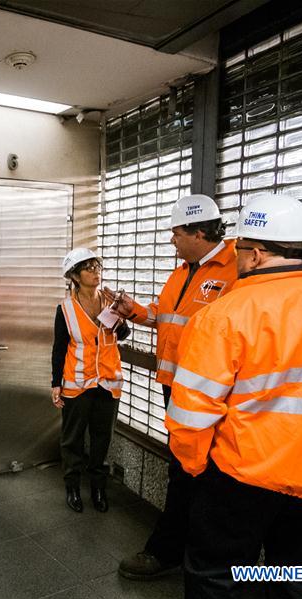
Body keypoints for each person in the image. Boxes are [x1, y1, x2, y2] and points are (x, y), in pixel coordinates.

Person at [167, 194, 302, 599]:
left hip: (243, 477)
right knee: (297, 582)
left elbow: (191, 413)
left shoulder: (223, 315)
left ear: (253, 255)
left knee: (219, 576)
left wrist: (196, 470)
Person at [104, 194, 238, 579]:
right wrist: (136, 311)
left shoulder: (234, 272)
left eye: (176, 232)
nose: (171, 240)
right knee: (183, 467)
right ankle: (184, 551)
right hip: (176, 386)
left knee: (194, 472)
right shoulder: (183, 270)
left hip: (210, 393)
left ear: (199, 232)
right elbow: (169, 317)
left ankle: (174, 552)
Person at [52, 248, 129, 513]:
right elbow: (59, 348)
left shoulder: (110, 301)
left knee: (101, 438)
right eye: (88, 268)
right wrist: (55, 384)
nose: (95, 272)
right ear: (74, 275)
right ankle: (72, 487)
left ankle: (98, 488)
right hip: (78, 381)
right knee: (72, 438)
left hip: (108, 380)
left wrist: (118, 313)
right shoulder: (65, 308)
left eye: (97, 267)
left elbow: (123, 335)